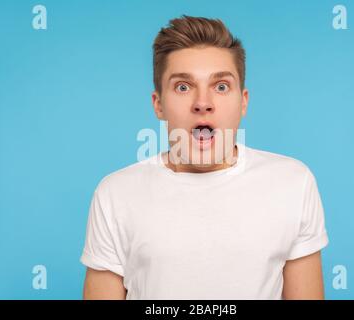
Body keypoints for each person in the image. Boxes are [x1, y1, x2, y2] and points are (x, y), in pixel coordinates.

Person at [80, 15, 329, 300]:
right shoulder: (115, 194)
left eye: (221, 86)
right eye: (183, 87)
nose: (202, 103)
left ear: (243, 101)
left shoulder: (293, 183)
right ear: (158, 104)